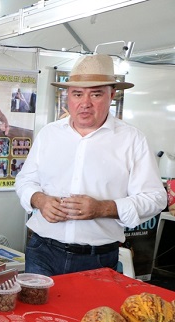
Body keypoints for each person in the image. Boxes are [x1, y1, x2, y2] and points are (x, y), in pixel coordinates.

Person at [15, 54, 167, 276]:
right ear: (68, 96)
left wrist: (102, 208)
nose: (85, 103)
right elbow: (25, 180)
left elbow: (155, 198)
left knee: (93, 312)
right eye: (77, 94)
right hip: (42, 250)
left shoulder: (132, 139)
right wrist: (40, 200)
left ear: (112, 95)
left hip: (98, 257)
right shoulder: (49, 134)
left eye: (96, 94)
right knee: (38, 312)